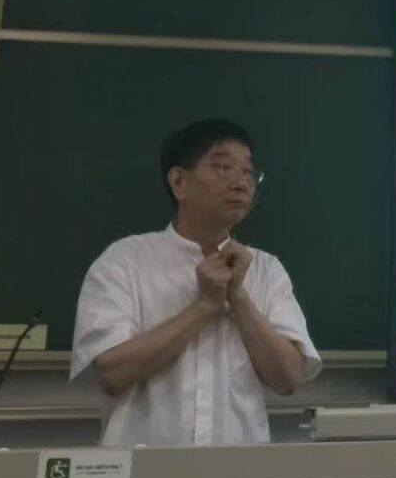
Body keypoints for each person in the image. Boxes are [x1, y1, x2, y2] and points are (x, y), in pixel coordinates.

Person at [71, 119, 320, 446]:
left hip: (238, 467)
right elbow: (112, 373)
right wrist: (203, 307)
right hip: (144, 466)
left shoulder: (266, 269)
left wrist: (239, 299)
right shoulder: (124, 260)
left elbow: (288, 379)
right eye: (223, 168)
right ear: (179, 182)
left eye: (248, 172)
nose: (241, 183)